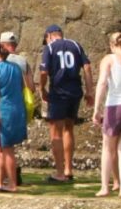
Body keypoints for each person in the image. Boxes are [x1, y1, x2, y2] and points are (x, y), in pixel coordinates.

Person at [39, 24, 93, 183]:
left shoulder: (49, 48)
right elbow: (87, 67)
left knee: (56, 131)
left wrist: (42, 89)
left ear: (49, 36)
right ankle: (69, 169)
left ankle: (60, 172)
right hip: (75, 91)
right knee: (69, 128)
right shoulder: (75, 45)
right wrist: (90, 91)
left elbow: (43, 71)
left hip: (58, 92)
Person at [0, 41, 27, 192]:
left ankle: (12, 183)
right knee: (3, 149)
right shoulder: (16, 68)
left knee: (6, 149)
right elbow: (22, 87)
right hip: (18, 108)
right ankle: (0, 181)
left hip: (4, 110)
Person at [91, 32, 121, 197]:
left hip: (114, 106)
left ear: (112, 45)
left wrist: (96, 109)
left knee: (107, 148)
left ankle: (105, 186)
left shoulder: (109, 59)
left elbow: (103, 82)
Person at [0, 31, 36, 96]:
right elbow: (32, 88)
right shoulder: (23, 61)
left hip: (4, 101)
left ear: (1, 46)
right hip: (21, 102)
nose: (12, 47)